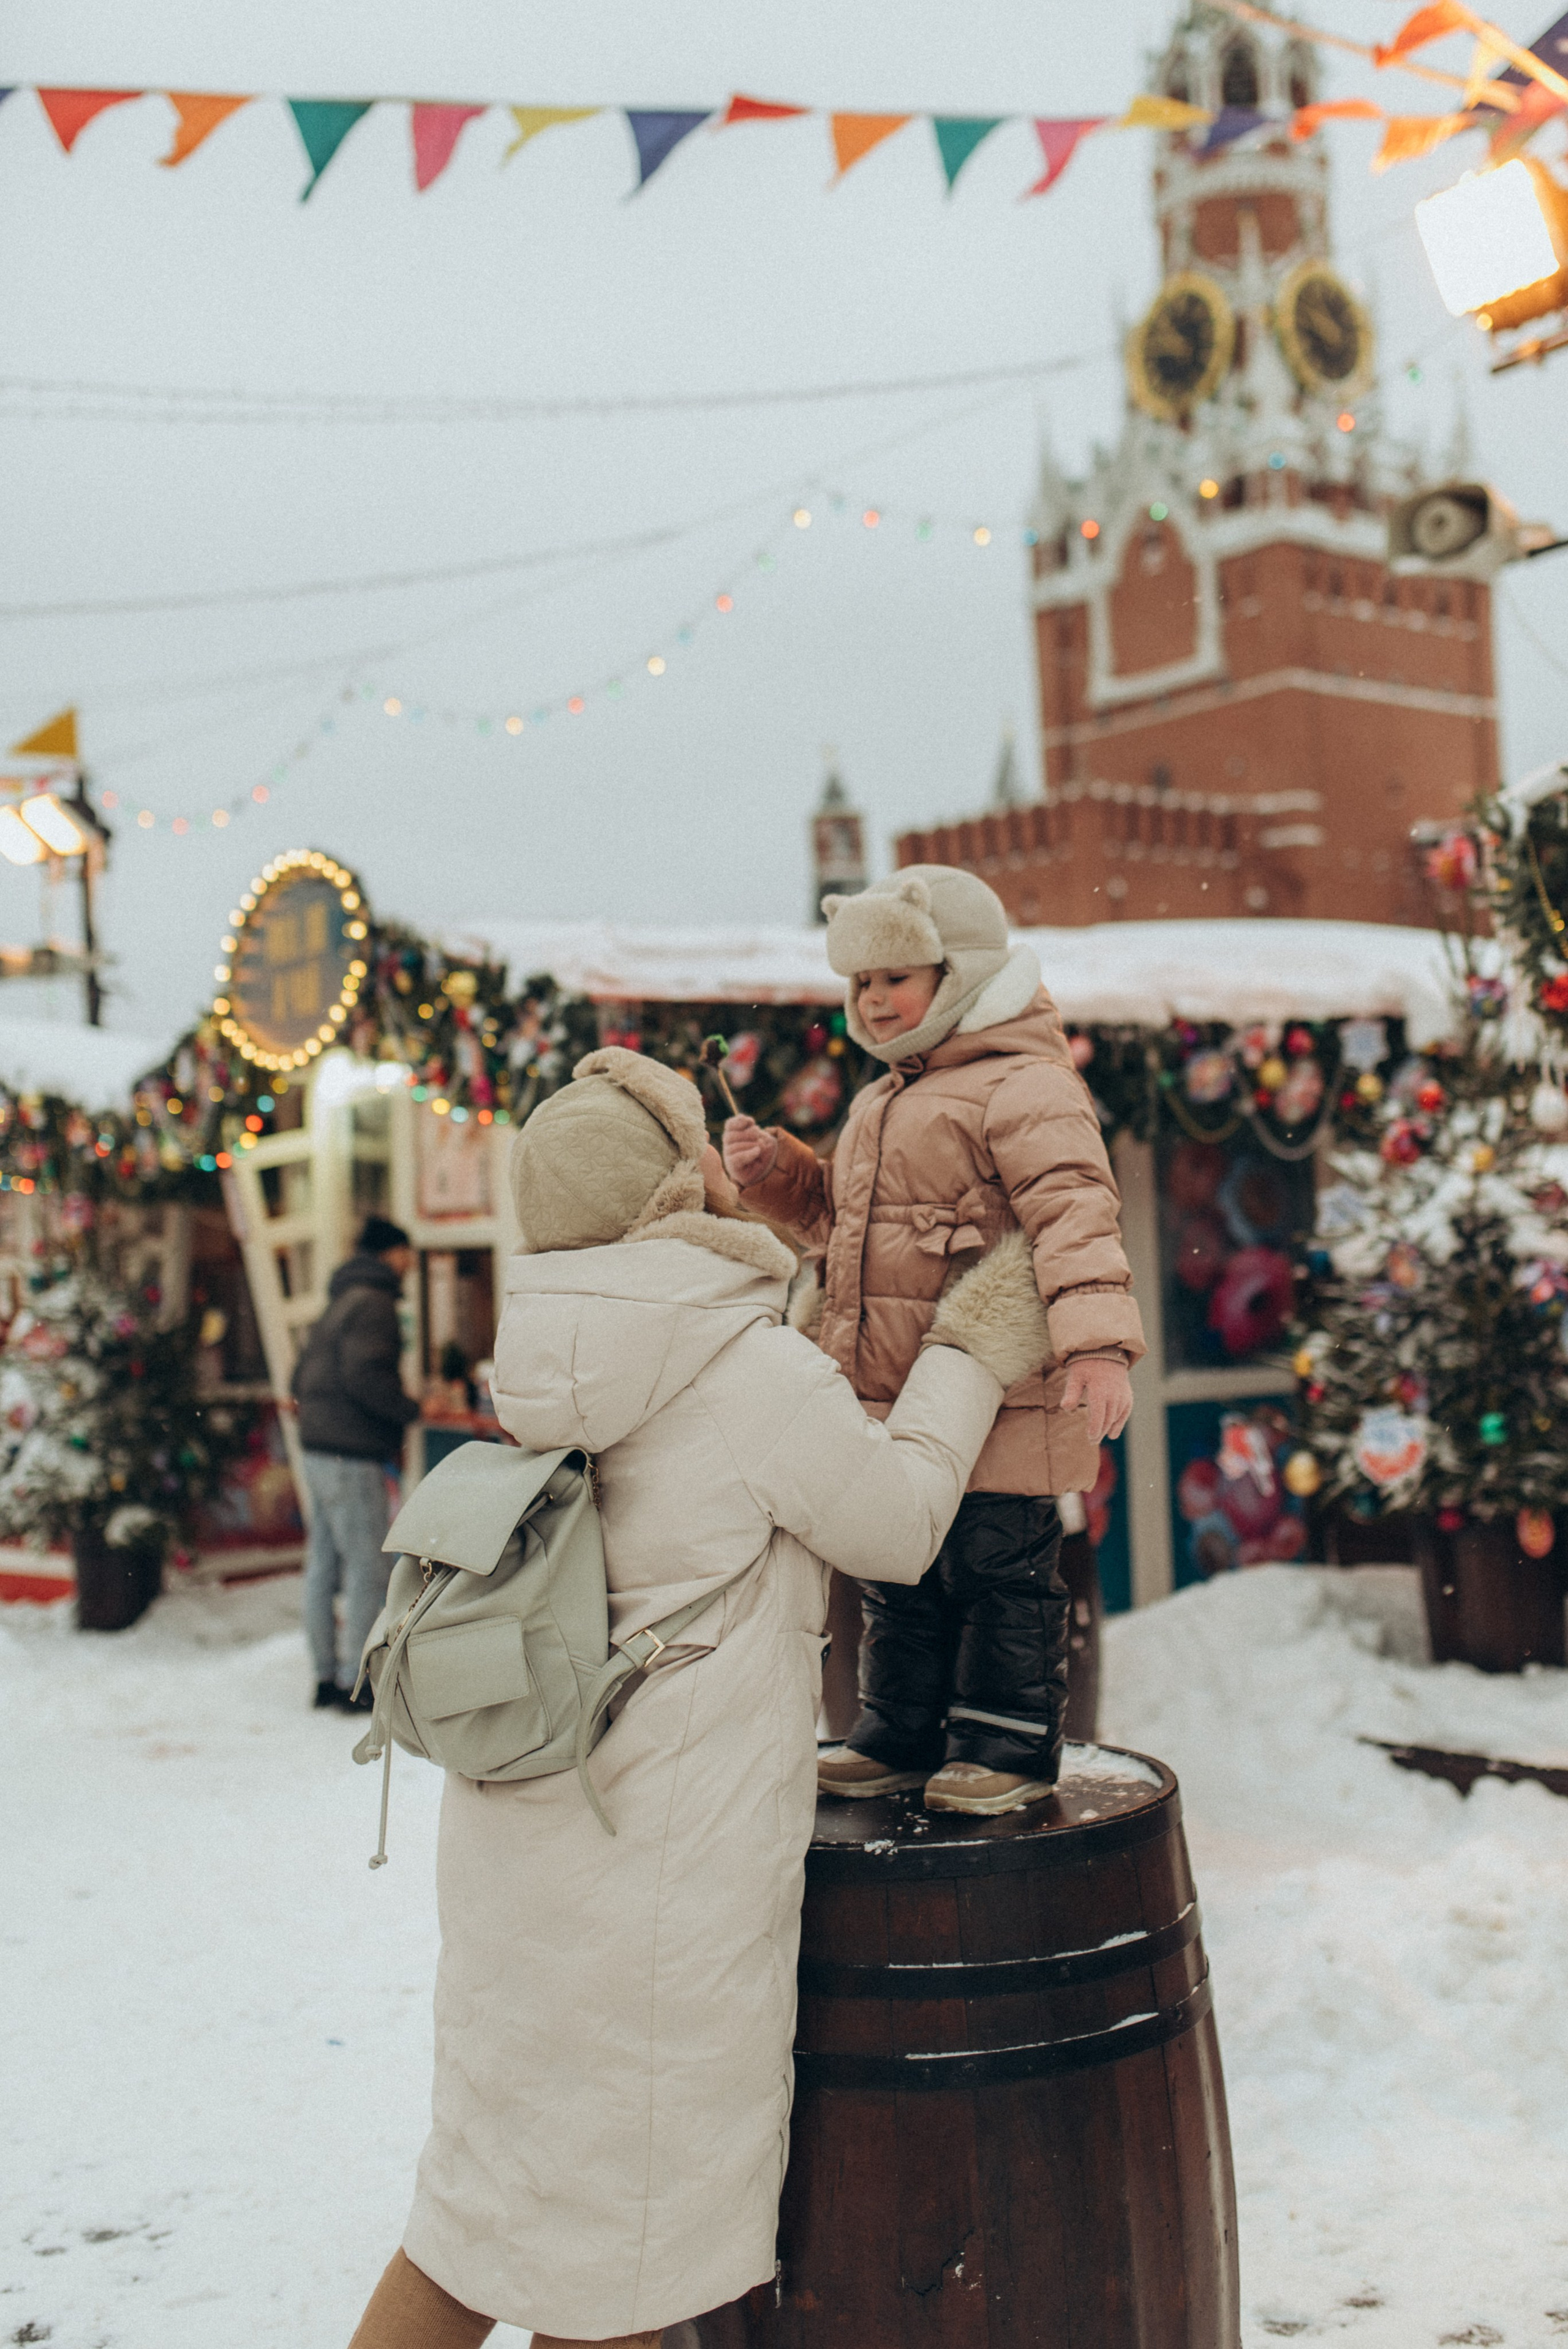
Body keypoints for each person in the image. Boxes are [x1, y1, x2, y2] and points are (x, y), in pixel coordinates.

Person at [347, 1046, 1054, 2349]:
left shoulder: (559, 1361)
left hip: (523, 1865)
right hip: (661, 1884)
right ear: (673, 1191)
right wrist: (965, 1344)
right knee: (623, 2262)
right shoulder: (746, 1378)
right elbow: (894, 1522)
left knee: (475, 2224)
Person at [723, 865, 1145, 1817]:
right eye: (862, 984)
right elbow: (847, 1224)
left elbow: (1075, 1212)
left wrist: (1096, 1345)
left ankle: (1008, 1737)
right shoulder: (885, 1099)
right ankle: (899, 1728)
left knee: (999, 1569)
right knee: (897, 1572)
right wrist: (780, 1174)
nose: (872, 1002)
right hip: (895, 1402)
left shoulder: (1024, 1083)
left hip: (996, 1389)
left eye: (894, 979)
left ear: (960, 972)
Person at [292, 1215, 420, 1710]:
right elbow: (366, 1374)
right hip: (351, 1448)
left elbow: (299, 1375)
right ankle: (357, 1681)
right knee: (368, 1564)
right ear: (393, 1254)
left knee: (323, 1562)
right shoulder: (376, 1301)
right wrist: (409, 1409)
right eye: (408, 1253)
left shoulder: (341, 1299)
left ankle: (325, 1674)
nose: (411, 1264)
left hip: (319, 1445)